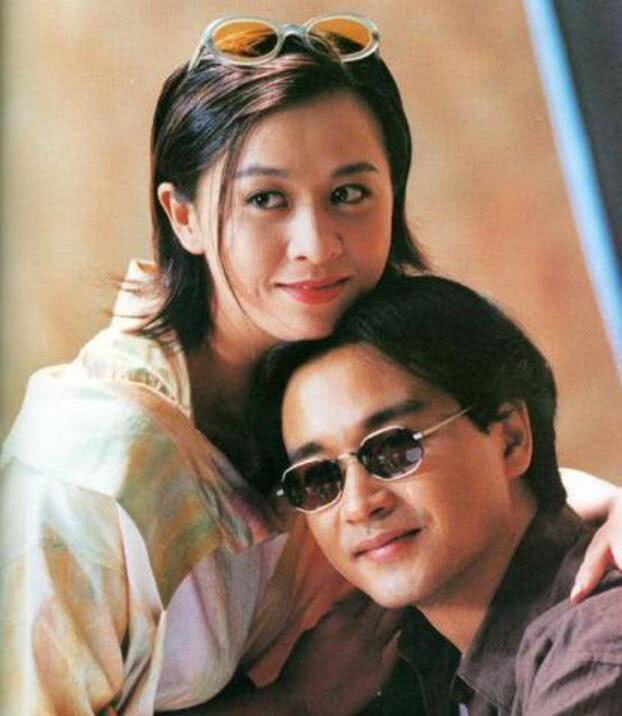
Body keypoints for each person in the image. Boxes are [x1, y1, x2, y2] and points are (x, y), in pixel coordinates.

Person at [0, 14, 619, 716]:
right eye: (266, 200)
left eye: (349, 194)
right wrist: (293, 705)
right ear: (183, 216)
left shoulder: (343, 346)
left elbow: (473, 477)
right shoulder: (82, 478)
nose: (318, 245)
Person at [256, 274, 622, 713]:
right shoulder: (416, 650)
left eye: (394, 450)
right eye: (318, 478)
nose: (358, 505)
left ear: (511, 440)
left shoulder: (594, 660)